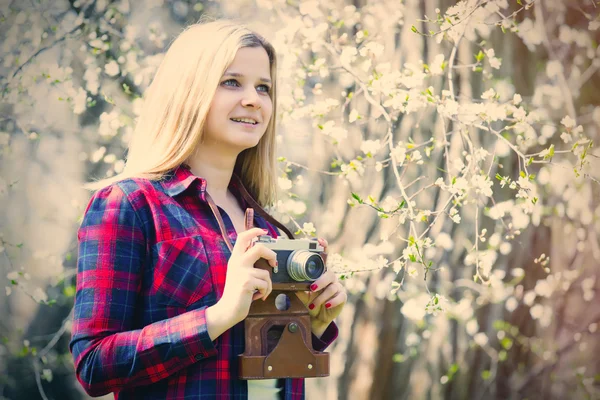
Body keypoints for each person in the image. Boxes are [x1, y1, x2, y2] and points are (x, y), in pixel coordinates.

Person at [69, 19, 347, 400]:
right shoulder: (131, 205)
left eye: (263, 87)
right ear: (189, 92)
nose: (253, 99)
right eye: (232, 82)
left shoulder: (268, 228)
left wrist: (312, 325)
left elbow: (265, 377)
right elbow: (94, 364)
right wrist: (217, 317)